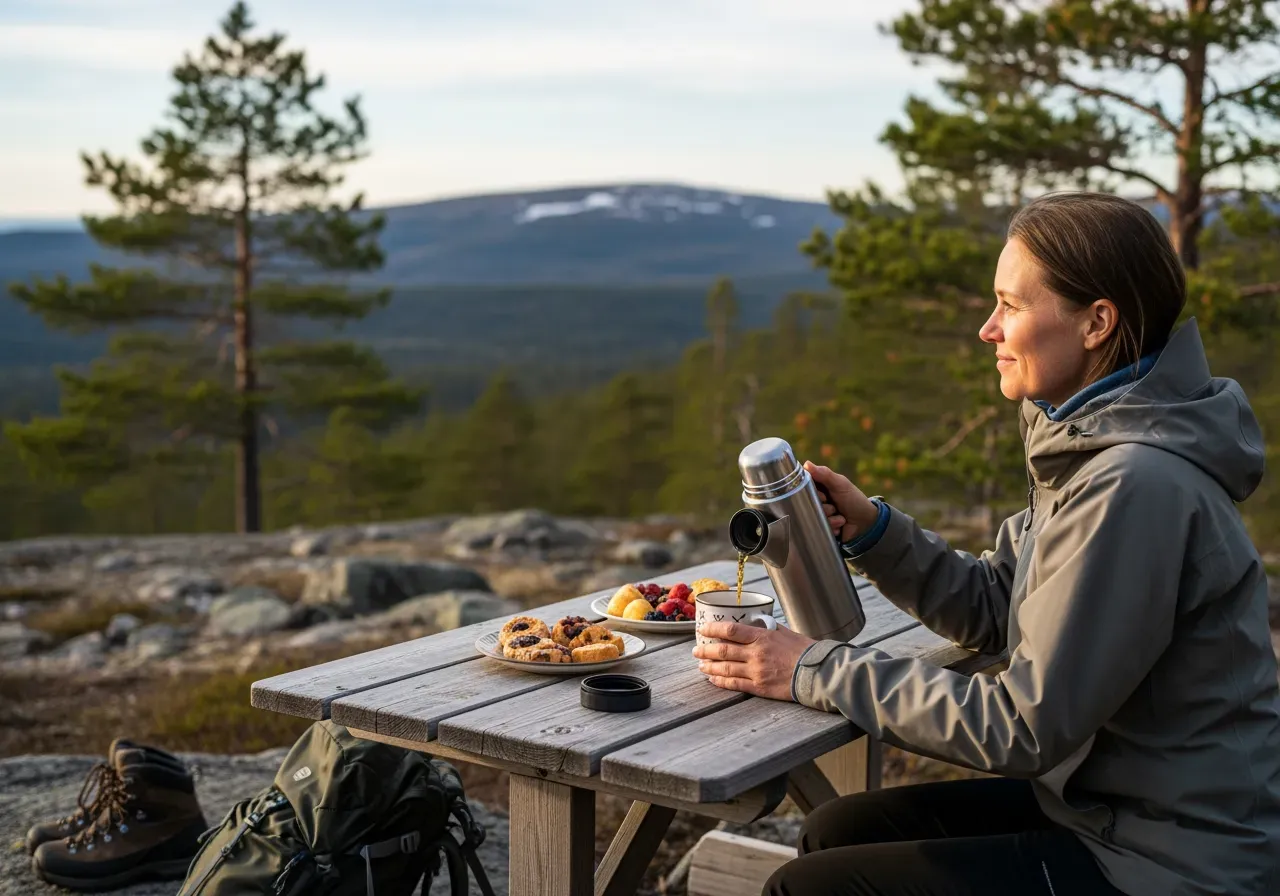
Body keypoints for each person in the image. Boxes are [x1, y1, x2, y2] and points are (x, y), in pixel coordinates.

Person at [692, 191, 1280, 896]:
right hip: (1111, 808)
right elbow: (1001, 608)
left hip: (1173, 861)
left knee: (815, 885)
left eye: (1011, 305)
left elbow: (1024, 728)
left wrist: (810, 669)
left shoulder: (1134, 483)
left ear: (1098, 322)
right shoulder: (1093, 439)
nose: (987, 329)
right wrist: (877, 533)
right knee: (836, 831)